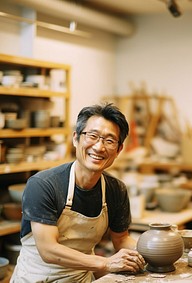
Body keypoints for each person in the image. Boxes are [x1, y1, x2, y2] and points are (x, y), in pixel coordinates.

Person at [11, 103, 145, 283]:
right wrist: (105, 263)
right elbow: (48, 250)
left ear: (119, 149)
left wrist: (148, 251)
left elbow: (121, 239)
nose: (99, 147)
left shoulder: (115, 189)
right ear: (76, 138)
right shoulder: (44, 185)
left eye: (110, 140)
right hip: (36, 278)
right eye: (93, 136)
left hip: (81, 278)